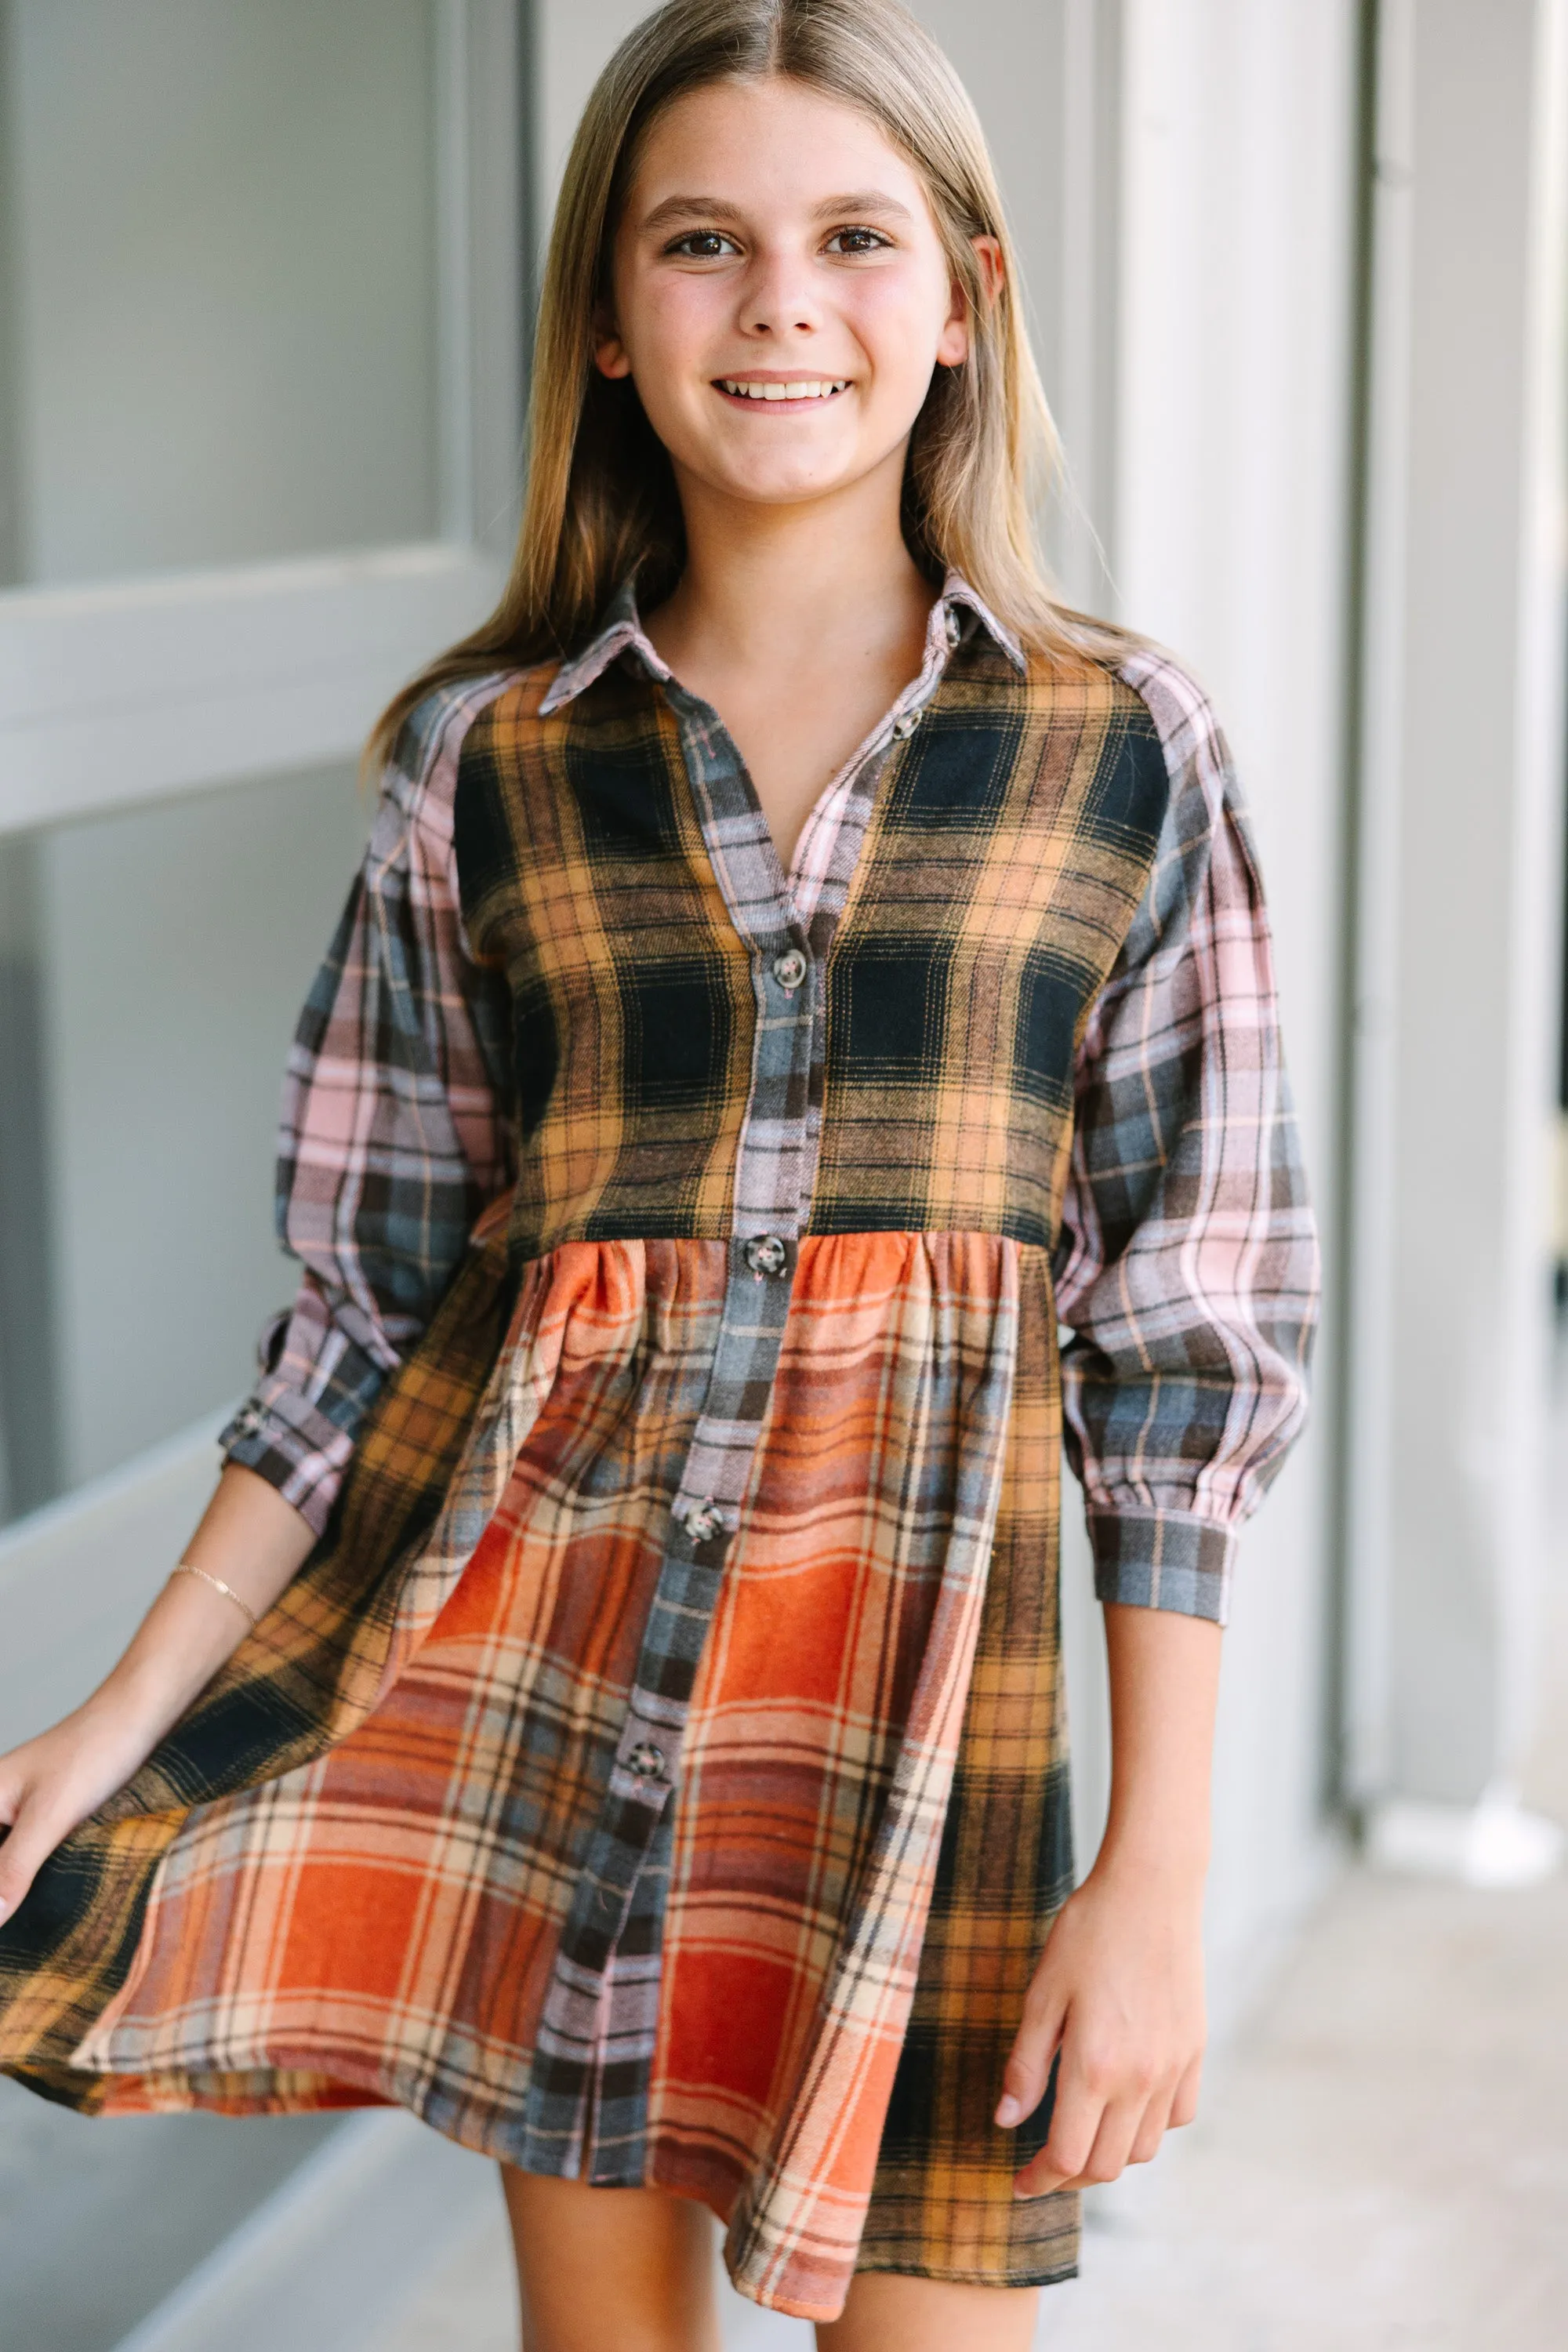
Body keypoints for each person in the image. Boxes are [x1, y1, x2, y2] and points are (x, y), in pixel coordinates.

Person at [0, 4, 1318, 2346]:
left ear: (966, 299)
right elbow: (363, 1314)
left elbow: (1187, 1340)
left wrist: (1158, 1868)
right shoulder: (484, 772)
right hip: (553, 1681)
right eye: (703, 242)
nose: (783, 302)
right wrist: (118, 1709)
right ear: (608, 324)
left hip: (933, 1730)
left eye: (853, 237)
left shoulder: (1121, 747)